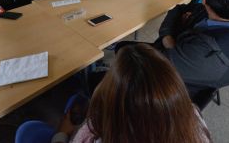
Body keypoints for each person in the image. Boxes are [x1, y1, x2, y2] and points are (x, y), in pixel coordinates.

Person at [15, 43, 211, 143]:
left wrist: (62, 134)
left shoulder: (95, 131)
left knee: (29, 131)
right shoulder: (193, 117)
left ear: (113, 101)